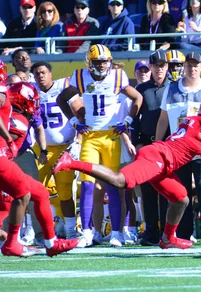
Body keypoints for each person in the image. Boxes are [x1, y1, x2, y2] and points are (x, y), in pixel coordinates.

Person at [55, 98, 201, 250]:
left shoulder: (194, 121)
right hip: (157, 158)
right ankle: (72, 163)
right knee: (120, 181)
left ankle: (168, 238)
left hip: (163, 162)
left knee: (181, 199)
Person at [57, 44, 143, 248]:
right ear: (90, 63)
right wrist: (74, 122)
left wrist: (128, 121)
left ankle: (116, 233)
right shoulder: (79, 76)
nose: (102, 66)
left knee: (114, 186)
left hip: (111, 136)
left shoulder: (118, 76)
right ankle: (86, 232)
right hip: (91, 137)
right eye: (98, 62)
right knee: (86, 184)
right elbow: (62, 99)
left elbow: (137, 98)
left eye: (105, 61)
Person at [1, 81, 80, 258]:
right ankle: (12, 243)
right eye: (32, 100)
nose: (34, 104)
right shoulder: (17, 120)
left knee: (40, 193)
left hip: (6, 161)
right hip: (2, 162)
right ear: (22, 100)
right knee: (22, 195)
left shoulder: (14, 114)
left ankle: (51, 242)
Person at [155, 51, 201, 246]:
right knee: (180, 193)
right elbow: (163, 119)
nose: (192, 69)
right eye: (189, 65)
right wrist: (159, 144)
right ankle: (183, 233)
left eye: (196, 65)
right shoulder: (171, 89)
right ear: (183, 67)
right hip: (178, 151)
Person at [32, 61, 79, 239]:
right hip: (41, 149)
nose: (41, 76)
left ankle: (70, 229)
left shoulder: (64, 86)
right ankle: (35, 231)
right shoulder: (31, 91)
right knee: (34, 191)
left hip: (64, 148)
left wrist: (78, 140)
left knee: (65, 191)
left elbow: (79, 110)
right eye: (37, 74)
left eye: (43, 72)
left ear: (51, 74)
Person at [131, 50, 169, 246]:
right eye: (156, 65)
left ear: (167, 67)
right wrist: (135, 141)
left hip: (167, 145)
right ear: (151, 67)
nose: (159, 68)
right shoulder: (142, 89)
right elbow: (135, 119)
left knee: (166, 189)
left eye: (162, 65)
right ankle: (151, 231)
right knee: (147, 190)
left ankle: (166, 231)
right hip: (146, 143)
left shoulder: (173, 87)